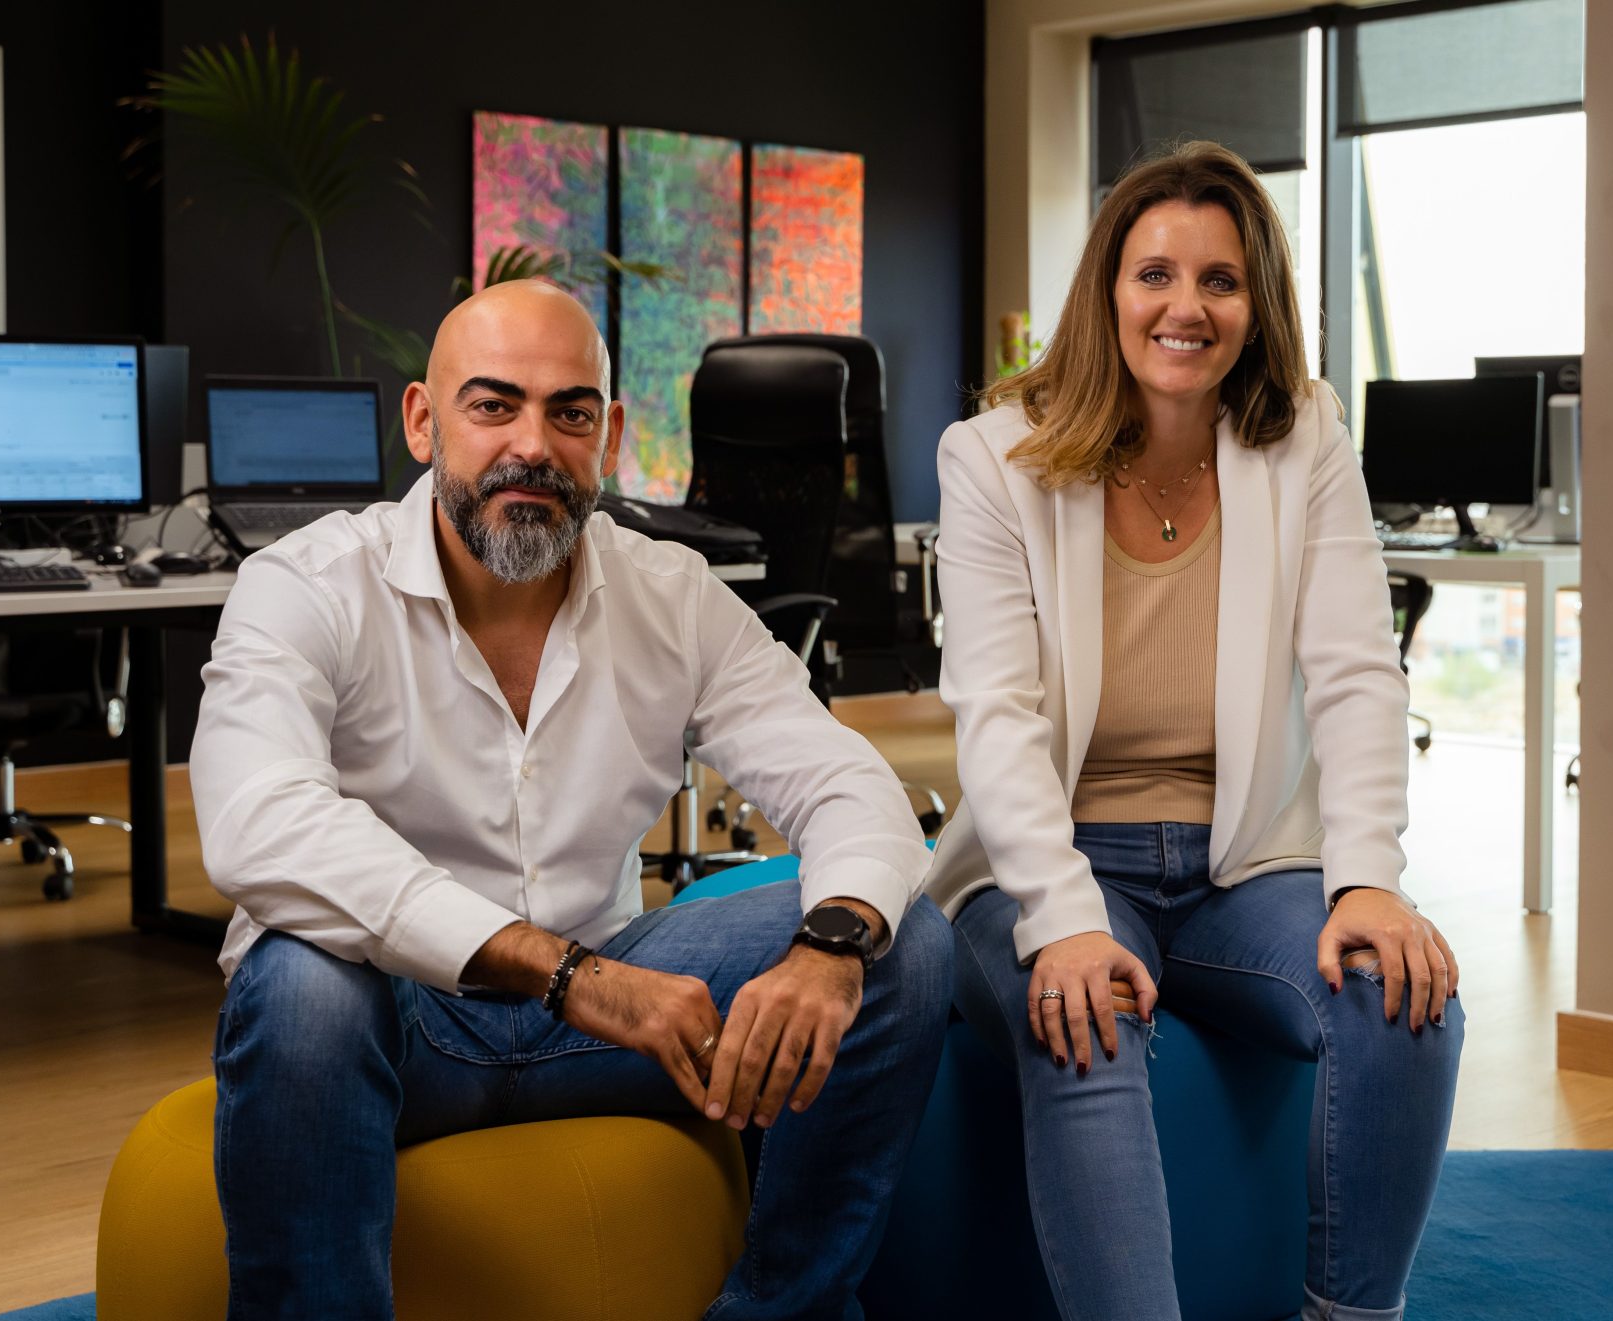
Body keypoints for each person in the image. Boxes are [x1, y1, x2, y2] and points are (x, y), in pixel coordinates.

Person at [192, 279, 951, 1321]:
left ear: (612, 435)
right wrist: (561, 970)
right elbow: (257, 822)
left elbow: (847, 779)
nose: (534, 446)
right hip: (402, 1023)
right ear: (423, 420)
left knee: (900, 942)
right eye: (493, 405)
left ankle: (786, 1308)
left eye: (571, 413)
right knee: (300, 985)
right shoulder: (307, 584)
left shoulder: (671, 593)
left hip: (608, 1027)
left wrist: (830, 944)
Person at [923, 141, 1464, 1321]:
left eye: (1221, 280)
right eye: (1156, 274)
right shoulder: (993, 457)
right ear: (1108, 291)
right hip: (1054, 858)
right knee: (1085, 1019)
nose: (1187, 307)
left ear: (1256, 305)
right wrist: (1063, 920)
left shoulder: (1304, 436)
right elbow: (996, 715)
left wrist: (1369, 881)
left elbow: (1358, 673)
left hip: (1245, 863)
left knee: (1404, 996)